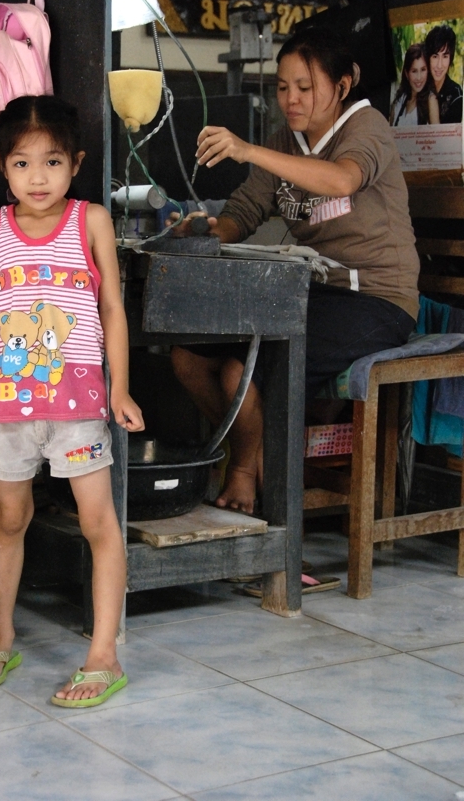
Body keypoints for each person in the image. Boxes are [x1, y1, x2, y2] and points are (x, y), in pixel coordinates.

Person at [170, 26, 420, 514]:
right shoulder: (286, 140)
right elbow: (244, 212)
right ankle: (259, 452)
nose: (290, 99)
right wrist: (205, 232)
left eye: (305, 87)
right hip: (313, 296)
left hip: (377, 301)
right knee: (188, 358)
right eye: (283, 87)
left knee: (242, 372)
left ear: (342, 85)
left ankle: (245, 475)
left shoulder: (365, 126)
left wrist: (247, 149)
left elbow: (343, 178)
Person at [0, 95, 144, 706]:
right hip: (9, 404)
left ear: (76, 164)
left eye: (52, 162)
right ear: (1, 166)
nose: (37, 178)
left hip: (78, 403)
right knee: (10, 518)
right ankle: (1, 638)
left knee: (97, 522)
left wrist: (118, 386)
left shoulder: (90, 221)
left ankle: (103, 655)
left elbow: (113, 307)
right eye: (21, 164)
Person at [390, 43, 438, 126]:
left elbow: (438, 137)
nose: (419, 78)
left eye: (423, 70)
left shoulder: (430, 99)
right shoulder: (399, 100)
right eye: (414, 71)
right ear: (406, 73)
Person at [424, 24, 463, 125]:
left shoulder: (456, 95)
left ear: (450, 59)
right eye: (435, 56)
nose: (439, 65)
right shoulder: (419, 87)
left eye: (445, 56)